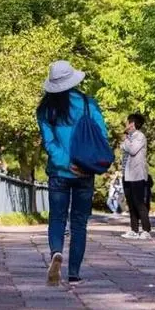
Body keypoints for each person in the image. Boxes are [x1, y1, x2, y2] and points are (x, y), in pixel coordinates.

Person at [37, 60, 110, 286]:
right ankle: (74, 273)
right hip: (85, 172)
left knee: (57, 218)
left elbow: (49, 143)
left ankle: (56, 252)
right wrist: (82, 163)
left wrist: (65, 163)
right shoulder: (89, 104)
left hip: (59, 173)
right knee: (79, 223)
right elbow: (102, 136)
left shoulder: (45, 110)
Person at [120, 113, 152, 239]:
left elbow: (132, 150)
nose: (126, 125)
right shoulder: (129, 137)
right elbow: (124, 148)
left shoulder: (140, 136)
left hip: (137, 175)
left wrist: (126, 140)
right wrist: (126, 140)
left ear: (132, 124)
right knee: (131, 203)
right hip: (126, 174)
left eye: (128, 123)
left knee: (139, 203)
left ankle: (146, 230)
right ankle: (133, 229)